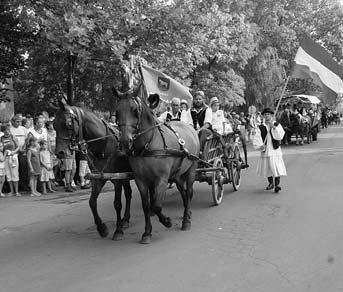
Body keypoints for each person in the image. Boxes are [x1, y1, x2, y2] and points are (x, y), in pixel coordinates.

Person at [253, 107, 287, 193]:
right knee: (268, 168)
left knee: (276, 167)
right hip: (266, 150)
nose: (267, 116)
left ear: (271, 115)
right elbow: (257, 137)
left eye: (268, 114)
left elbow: (280, 136)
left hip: (274, 150)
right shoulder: (261, 127)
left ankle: (277, 185)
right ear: (263, 116)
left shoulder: (276, 124)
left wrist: (274, 128)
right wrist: (260, 146)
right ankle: (271, 183)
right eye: (265, 114)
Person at [10, 114, 29, 191]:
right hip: (14, 151)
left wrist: (23, 147)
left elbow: (27, 139)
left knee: (23, 168)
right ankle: (16, 186)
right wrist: (18, 149)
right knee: (15, 169)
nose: (19, 123)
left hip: (23, 150)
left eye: (20, 122)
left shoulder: (23, 129)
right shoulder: (10, 129)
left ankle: (24, 185)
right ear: (12, 122)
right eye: (17, 122)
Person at [1, 123, 21, 196]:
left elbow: (18, 147)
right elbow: (2, 148)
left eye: (8, 129)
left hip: (13, 157)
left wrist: (13, 152)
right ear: (3, 131)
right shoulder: (1, 138)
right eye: (6, 130)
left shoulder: (13, 137)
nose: (8, 131)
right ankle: (11, 191)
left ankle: (17, 191)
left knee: (15, 173)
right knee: (8, 175)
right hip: (6, 157)